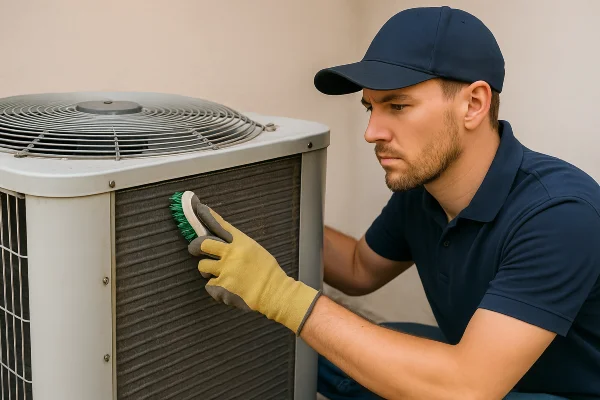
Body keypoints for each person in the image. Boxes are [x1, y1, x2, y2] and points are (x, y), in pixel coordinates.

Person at [183, 6, 600, 400]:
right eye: (371, 107)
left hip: (550, 390)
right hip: (487, 372)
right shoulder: (425, 191)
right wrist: (263, 218)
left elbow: (467, 388)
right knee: (333, 350)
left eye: (397, 106)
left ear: (473, 104)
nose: (371, 132)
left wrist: (278, 294)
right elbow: (359, 269)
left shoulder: (560, 214)